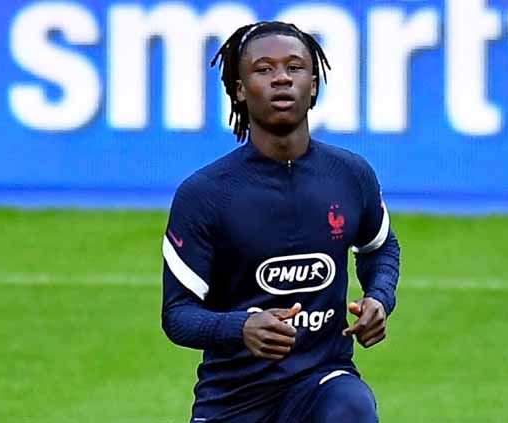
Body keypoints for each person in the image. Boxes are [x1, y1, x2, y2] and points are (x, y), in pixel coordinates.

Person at [161, 21, 400, 422]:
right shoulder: (205, 194)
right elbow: (178, 315)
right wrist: (241, 328)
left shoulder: (350, 175)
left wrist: (379, 297)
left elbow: (380, 248)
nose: (281, 79)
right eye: (264, 69)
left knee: (351, 408)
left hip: (322, 380)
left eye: (294, 67)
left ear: (313, 84)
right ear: (240, 89)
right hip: (234, 398)